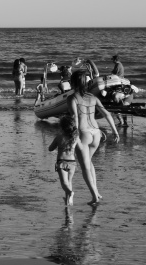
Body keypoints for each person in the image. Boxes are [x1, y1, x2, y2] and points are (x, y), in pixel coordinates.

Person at [67, 70, 119, 205]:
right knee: (89, 162)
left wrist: (74, 136)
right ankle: (97, 192)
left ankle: (94, 196)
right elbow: (107, 113)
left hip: (84, 133)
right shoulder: (93, 97)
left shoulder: (72, 98)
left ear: (72, 82)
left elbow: (75, 118)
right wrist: (115, 131)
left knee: (84, 167)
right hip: (96, 133)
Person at [48, 115, 80, 206]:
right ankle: (68, 201)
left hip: (61, 162)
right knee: (69, 182)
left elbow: (50, 148)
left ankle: (70, 193)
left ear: (62, 126)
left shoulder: (59, 137)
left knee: (64, 184)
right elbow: (81, 148)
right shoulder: (75, 138)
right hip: (72, 163)